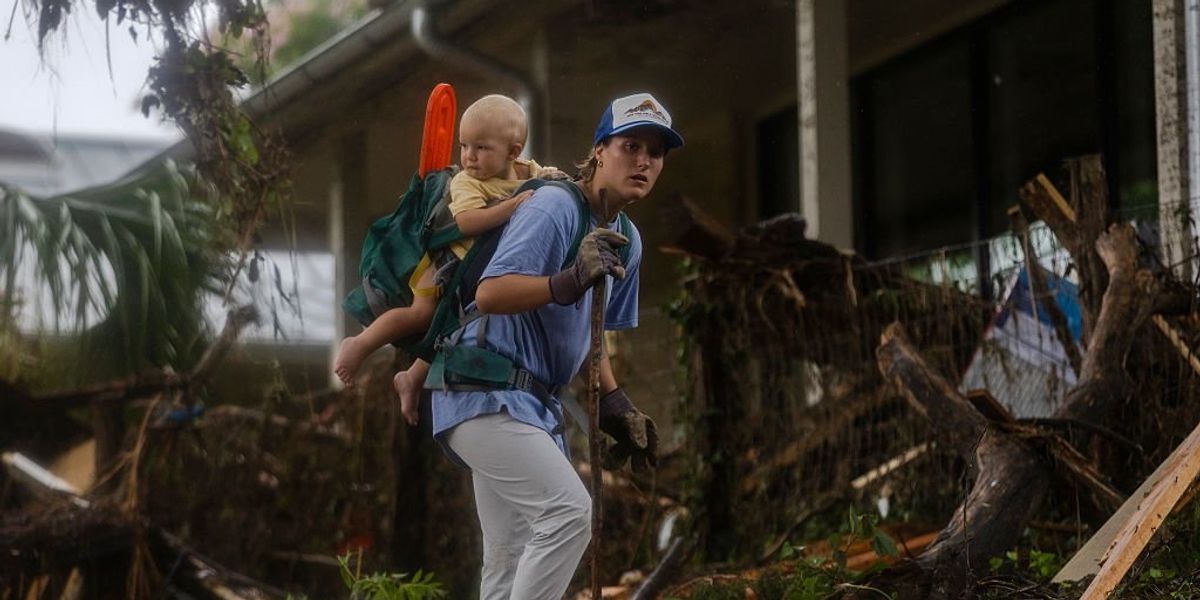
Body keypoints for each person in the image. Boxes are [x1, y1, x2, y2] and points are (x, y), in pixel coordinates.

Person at [430, 92, 683, 600]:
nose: (643, 161)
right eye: (630, 146)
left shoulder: (626, 239)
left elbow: (590, 336)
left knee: (509, 558)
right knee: (567, 513)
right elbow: (490, 294)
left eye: (655, 153)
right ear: (599, 151)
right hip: (483, 388)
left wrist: (616, 404)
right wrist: (565, 282)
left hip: (528, 405)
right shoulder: (555, 206)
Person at [333, 94, 561, 421]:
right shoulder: (467, 181)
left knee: (452, 330)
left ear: (513, 152)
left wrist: (552, 178)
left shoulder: (527, 171)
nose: (469, 156)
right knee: (421, 315)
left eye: (481, 148)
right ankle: (360, 344)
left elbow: (543, 180)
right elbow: (467, 222)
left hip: (475, 269)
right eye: (463, 146)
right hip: (445, 263)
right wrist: (510, 207)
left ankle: (411, 379)